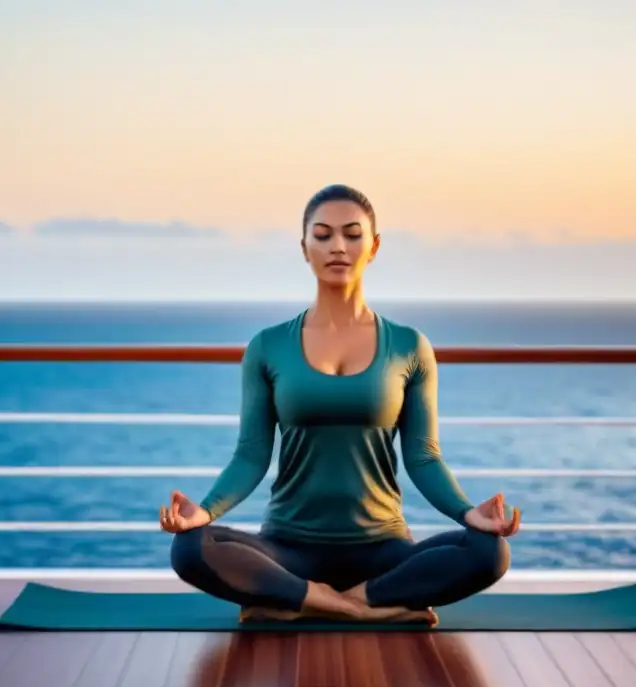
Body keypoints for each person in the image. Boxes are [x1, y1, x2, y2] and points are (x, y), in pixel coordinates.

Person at [161, 184, 519, 625]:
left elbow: (423, 457)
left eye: (352, 234)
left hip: (383, 550)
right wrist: (206, 510)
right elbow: (251, 454)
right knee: (190, 547)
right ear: (304, 247)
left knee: (489, 550)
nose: (338, 247)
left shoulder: (409, 346)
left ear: (374, 246)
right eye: (323, 235)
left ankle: (300, 602)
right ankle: (360, 605)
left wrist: (468, 512)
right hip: (288, 548)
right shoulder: (268, 347)